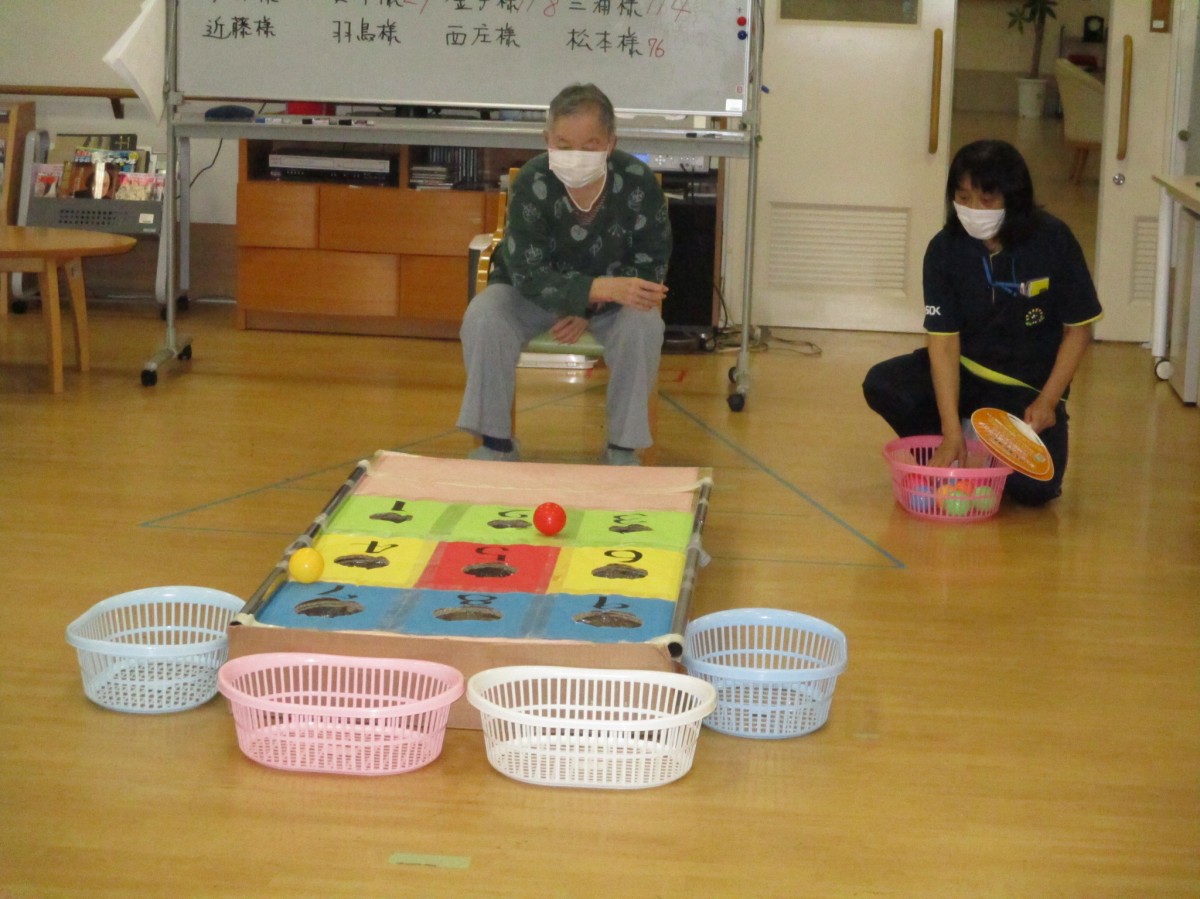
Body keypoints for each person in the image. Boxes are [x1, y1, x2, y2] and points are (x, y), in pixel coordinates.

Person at [862, 140, 1103, 506]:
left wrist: (1047, 402)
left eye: (987, 201)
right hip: (966, 376)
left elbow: (1078, 330)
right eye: (964, 198)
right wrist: (949, 431)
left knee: (1037, 490)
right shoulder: (944, 249)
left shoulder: (1054, 240)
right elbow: (943, 342)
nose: (973, 210)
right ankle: (961, 443)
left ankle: (985, 445)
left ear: (1014, 200)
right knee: (884, 383)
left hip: (1024, 392)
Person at [456, 83, 672, 466]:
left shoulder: (637, 181)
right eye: (564, 145)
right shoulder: (532, 181)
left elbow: (649, 266)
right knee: (484, 315)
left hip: (609, 305)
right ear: (547, 141)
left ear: (610, 143)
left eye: (590, 146)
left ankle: (622, 448)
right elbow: (526, 272)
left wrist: (587, 305)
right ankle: (495, 444)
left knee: (644, 323)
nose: (576, 156)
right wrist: (589, 290)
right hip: (531, 297)